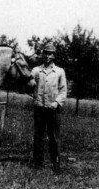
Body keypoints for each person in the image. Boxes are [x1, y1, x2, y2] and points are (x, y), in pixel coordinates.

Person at [31, 43, 67, 174]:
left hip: (53, 110)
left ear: (54, 56)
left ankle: (56, 165)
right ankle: (37, 164)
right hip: (39, 108)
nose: (47, 56)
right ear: (42, 54)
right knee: (38, 136)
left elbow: (63, 92)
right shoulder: (36, 70)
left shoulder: (59, 72)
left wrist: (56, 103)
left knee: (54, 137)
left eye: (50, 53)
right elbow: (28, 83)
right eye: (45, 53)